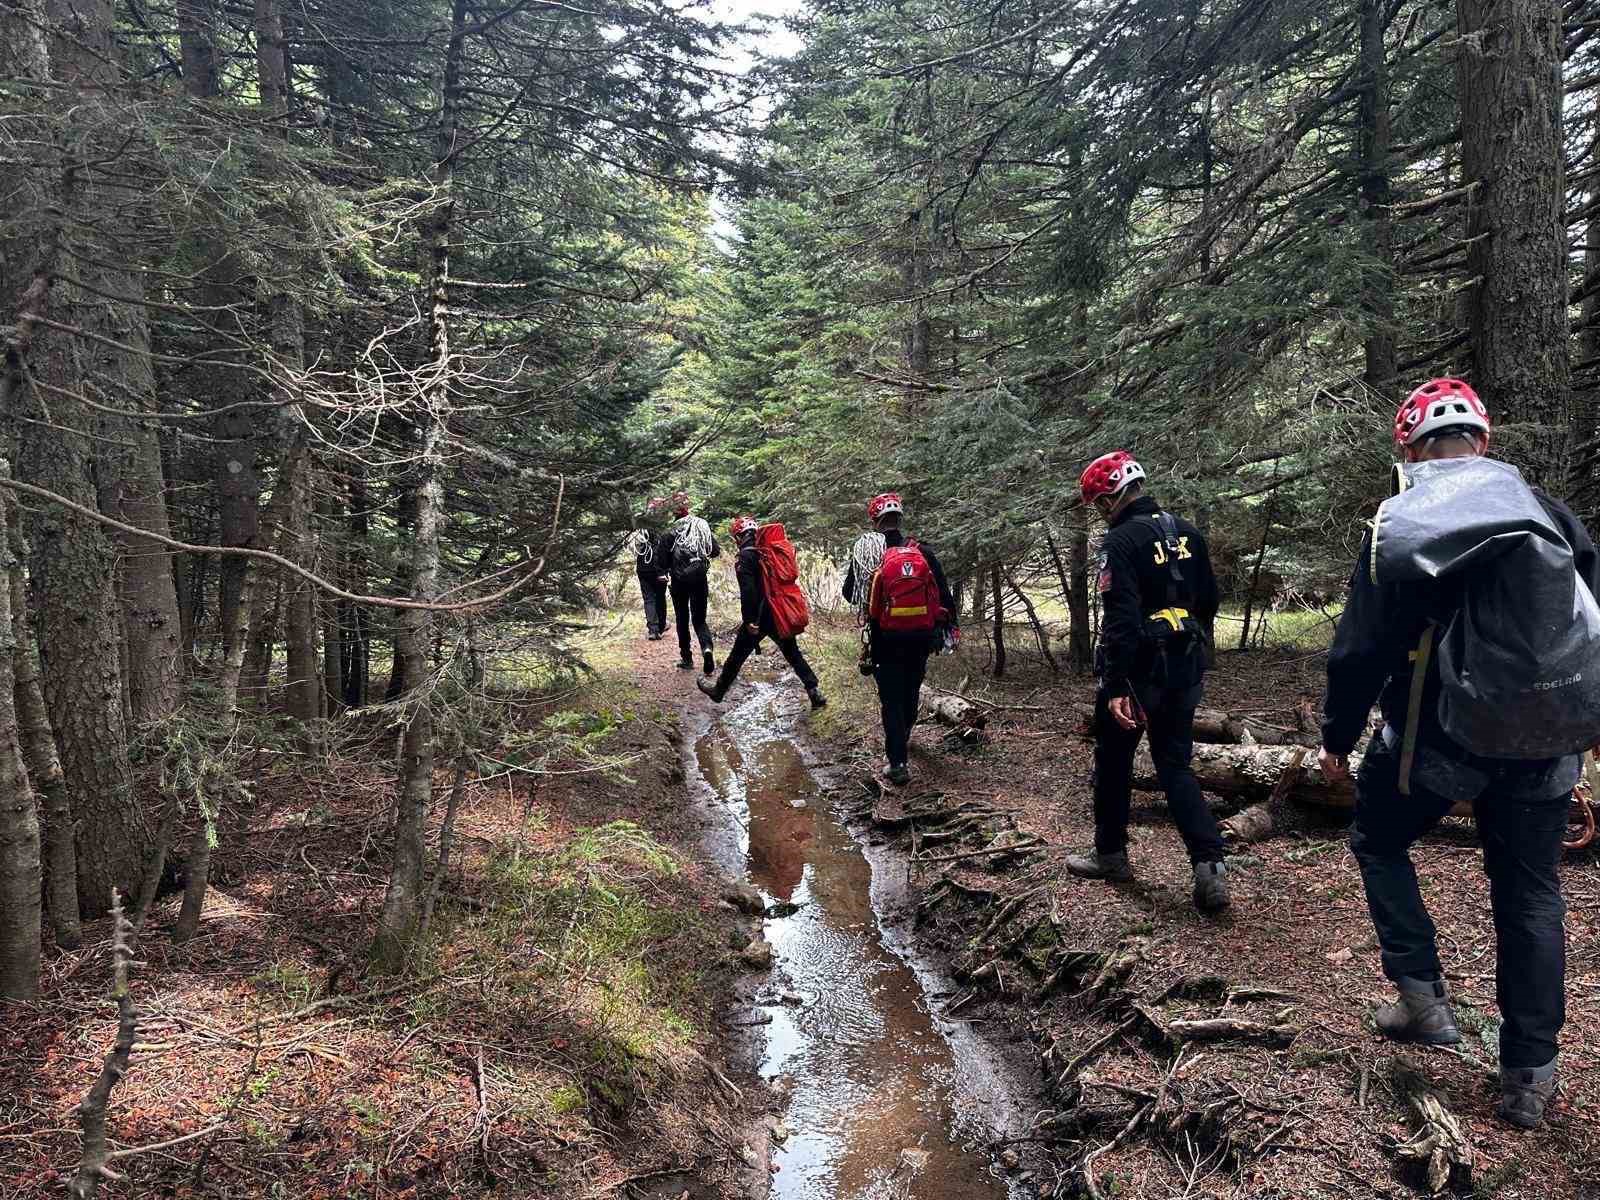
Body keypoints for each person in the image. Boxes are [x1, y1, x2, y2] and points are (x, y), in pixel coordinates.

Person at [1319, 378, 1598, 1130]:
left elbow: (1359, 651)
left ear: (1406, 447)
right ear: (1486, 440)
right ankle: (1529, 1075)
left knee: (1379, 839)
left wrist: (1336, 742)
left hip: (1434, 742)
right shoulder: (1551, 514)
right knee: (1531, 893)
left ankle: (1421, 999)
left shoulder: (1403, 522)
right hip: (1545, 750)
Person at [1063, 451, 1227, 913]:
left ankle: (1110, 855)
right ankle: (1209, 862)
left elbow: (1120, 618)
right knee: (1175, 764)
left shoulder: (1121, 541)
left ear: (1112, 496)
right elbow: (1209, 601)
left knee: (1114, 761)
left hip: (1139, 673)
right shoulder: (1189, 532)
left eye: (1099, 502)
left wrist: (1116, 683)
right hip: (1186, 664)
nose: (1099, 510)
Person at [842, 493, 957, 787]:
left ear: (875, 521)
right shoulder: (921, 551)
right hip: (922, 635)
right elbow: (944, 594)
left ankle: (897, 762)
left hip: (885, 636)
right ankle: (902, 737)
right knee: (911, 688)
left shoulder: (869, 551)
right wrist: (947, 629)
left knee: (890, 697)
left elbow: (849, 593)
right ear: (899, 519)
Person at [697, 517, 827, 709]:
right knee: (793, 654)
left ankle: (718, 691)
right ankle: (814, 691)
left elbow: (748, 591)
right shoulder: (767, 551)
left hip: (758, 617)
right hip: (778, 612)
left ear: (739, 537)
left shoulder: (745, 556)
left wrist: (749, 620)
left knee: (736, 656)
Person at [664, 491, 719, 674]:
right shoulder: (700, 525)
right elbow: (714, 551)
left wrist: (668, 568)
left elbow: (661, 560)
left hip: (679, 580)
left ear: (673, 511)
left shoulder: (670, 530)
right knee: (699, 619)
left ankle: (687, 658)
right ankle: (707, 648)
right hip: (699, 578)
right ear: (688, 507)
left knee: (681, 618)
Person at [629, 499, 670, 641]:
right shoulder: (661, 525)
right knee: (660, 597)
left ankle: (653, 629)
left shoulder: (640, 524)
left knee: (649, 599)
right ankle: (660, 626)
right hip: (658, 568)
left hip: (643, 567)